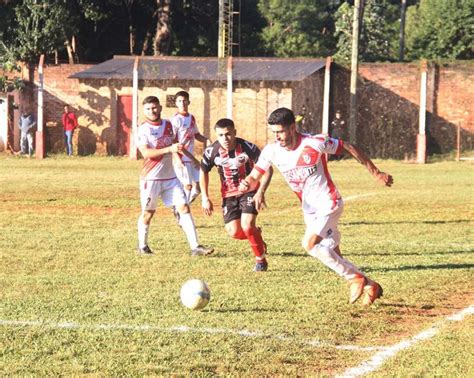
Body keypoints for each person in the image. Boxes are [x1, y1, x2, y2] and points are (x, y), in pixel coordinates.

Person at [239, 107, 393, 305]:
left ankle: (355, 279)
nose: (278, 136)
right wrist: (247, 183)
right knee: (334, 254)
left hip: (329, 202)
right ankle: (371, 285)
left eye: (281, 131)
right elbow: (255, 176)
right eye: (274, 132)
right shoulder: (271, 151)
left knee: (309, 244)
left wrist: (376, 172)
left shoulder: (314, 143)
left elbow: (348, 146)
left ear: (293, 127)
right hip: (309, 210)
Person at [136, 95, 214, 257]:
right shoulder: (142, 129)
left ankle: (196, 247)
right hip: (151, 178)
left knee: (184, 207)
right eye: (148, 109)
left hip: (171, 178)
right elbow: (146, 153)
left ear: (160, 107)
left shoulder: (168, 125)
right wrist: (169, 150)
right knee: (148, 214)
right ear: (144, 111)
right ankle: (142, 246)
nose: (152, 111)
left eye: (154, 107)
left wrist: (194, 161)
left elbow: (178, 146)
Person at [200, 118, 273, 272]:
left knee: (247, 225)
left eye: (228, 134)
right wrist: (205, 197)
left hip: (249, 191)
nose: (225, 139)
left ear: (234, 132)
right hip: (228, 195)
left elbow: (267, 169)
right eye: (220, 135)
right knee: (234, 232)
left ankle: (260, 261)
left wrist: (260, 191)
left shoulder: (248, 147)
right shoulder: (212, 151)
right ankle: (256, 236)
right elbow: (203, 171)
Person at [171, 91, 211, 205]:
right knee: (187, 185)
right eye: (179, 101)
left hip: (190, 157)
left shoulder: (191, 118)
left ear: (189, 102)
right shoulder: (175, 119)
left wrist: (207, 140)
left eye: (184, 100)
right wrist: (177, 159)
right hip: (181, 157)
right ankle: (182, 210)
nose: (182, 103)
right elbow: (172, 141)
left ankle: (181, 206)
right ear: (176, 103)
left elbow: (196, 134)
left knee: (198, 187)